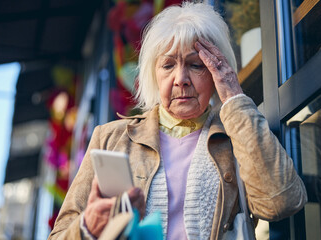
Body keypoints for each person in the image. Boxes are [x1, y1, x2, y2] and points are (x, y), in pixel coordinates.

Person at [48, 2, 307, 240]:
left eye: (196, 65)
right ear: (153, 73)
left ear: (217, 71)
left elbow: (282, 201)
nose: (180, 78)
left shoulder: (237, 135)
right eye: (168, 65)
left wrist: (233, 96)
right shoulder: (110, 138)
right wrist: (88, 228)